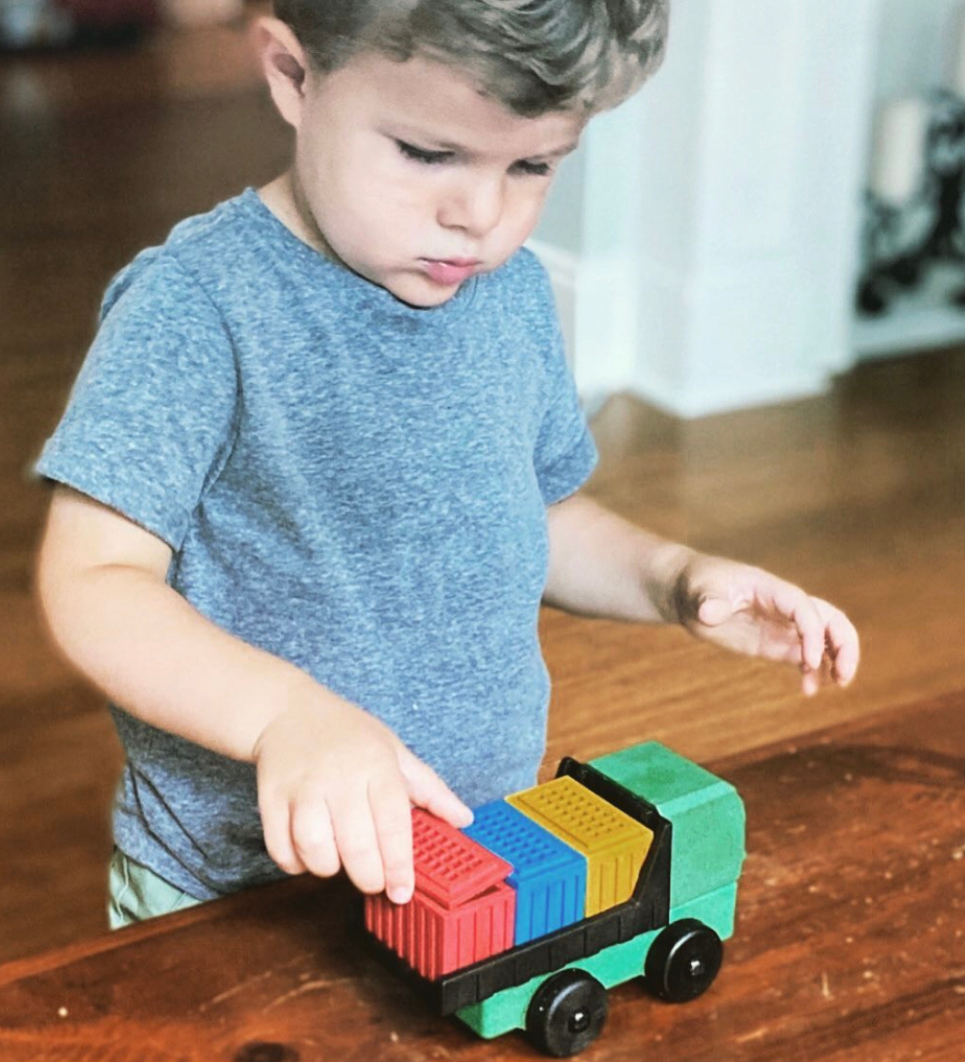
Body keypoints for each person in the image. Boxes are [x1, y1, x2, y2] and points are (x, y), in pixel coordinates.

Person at [34, 0, 859, 928]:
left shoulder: (510, 296)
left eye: (533, 165)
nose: (480, 215)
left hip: (469, 855)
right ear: (293, 76)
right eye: (427, 154)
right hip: (237, 892)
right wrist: (284, 718)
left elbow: (535, 515)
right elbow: (95, 581)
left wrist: (674, 580)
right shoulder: (195, 309)